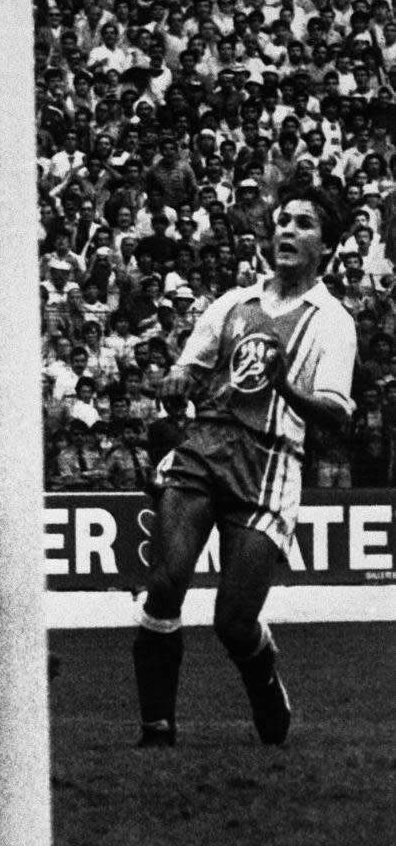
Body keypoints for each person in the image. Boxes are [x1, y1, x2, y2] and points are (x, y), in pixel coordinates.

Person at [132, 187, 355, 748]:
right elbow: (186, 368)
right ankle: (157, 730)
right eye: (283, 221)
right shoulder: (232, 303)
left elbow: (337, 415)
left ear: (324, 246)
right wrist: (178, 379)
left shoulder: (332, 321)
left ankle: (265, 682)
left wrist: (284, 384)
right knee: (165, 583)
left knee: (232, 622)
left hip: (270, 460)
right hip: (205, 446)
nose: (287, 230)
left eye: (304, 224)